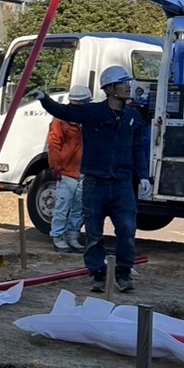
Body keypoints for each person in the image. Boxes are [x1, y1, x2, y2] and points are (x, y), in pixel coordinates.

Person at [38, 66, 145, 293]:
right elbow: (65, 112)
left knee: (127, 230)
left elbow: (138, 149)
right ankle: (97, 274)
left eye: (128, 82)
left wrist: (143, 176)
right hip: (95, 184)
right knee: (94, 234)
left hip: (122, 183)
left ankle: (123, 273)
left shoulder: (133, 117)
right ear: (109, 89)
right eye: (123, 82)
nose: (128, 86)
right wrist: (44, 99)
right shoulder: (93, 113)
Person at [47, 84, 91, 253]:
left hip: (82, 171)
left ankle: (72, 236)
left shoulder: (84, 121)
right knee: (63, 206)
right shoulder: (60, 121)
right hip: (66, 172)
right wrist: (55, 167)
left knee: (79, 206)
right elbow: (54, 144)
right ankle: (58, 237)